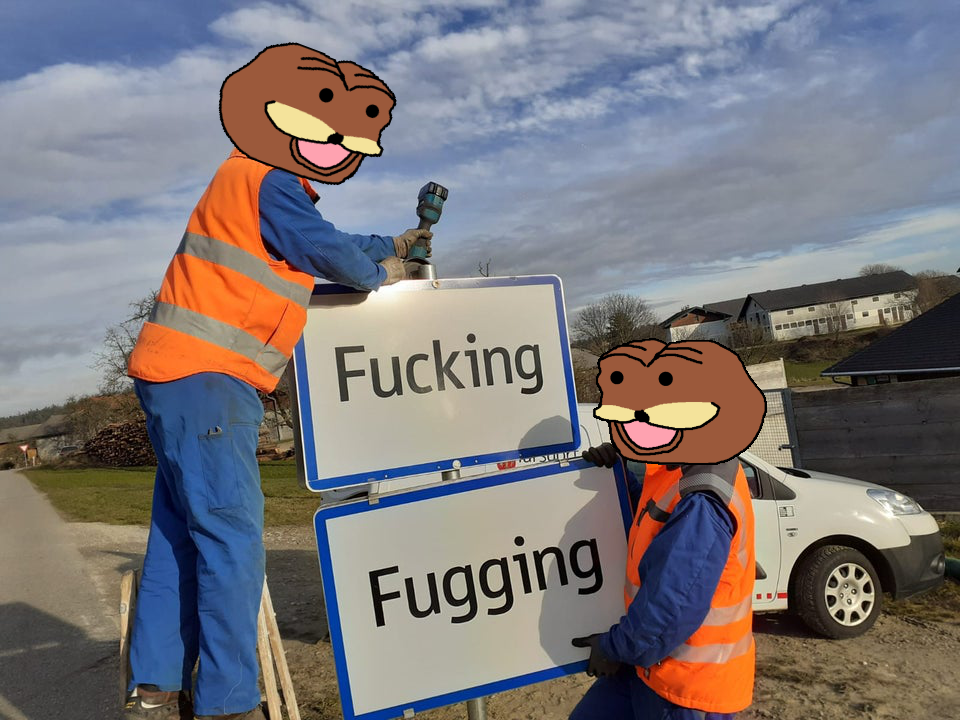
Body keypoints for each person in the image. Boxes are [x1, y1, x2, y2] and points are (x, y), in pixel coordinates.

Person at [121, 152, 430, 718]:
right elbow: (334, 254)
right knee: (231, 539)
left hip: (176, 375)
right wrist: (385, 272)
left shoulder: (258, 186)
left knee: (178, 529)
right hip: (211, 376)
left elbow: (329, 238)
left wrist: (395, 242)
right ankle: (228, 700)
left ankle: (156, 680)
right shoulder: (265, 174)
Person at [569, 338, 765, 720]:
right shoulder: (677, 467)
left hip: (686, 689)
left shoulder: (702, 496)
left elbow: (670, 608)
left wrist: (613, 648)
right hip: (649, 669)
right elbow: (651, 523)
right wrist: (615, 476)